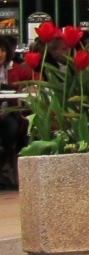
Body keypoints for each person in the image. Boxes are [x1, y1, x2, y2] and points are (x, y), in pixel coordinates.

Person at [0, 34, 35, 189]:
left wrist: (25, 86)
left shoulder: (14, 68)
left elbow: (34, 78)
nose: (0, 54)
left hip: (8, 115)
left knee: (12, 130)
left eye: (2, 50)